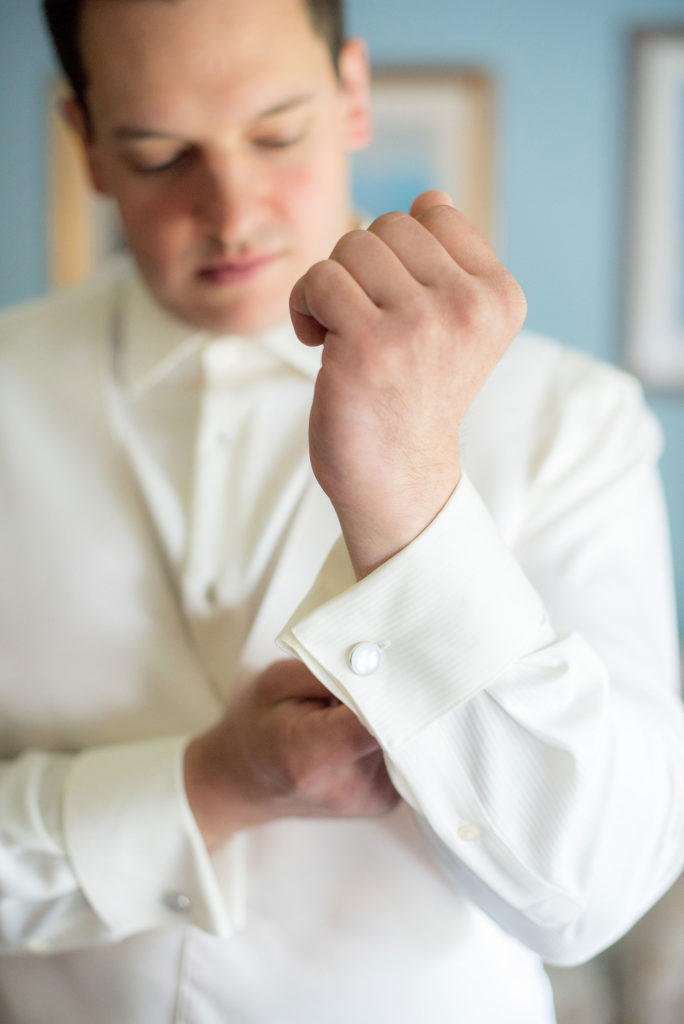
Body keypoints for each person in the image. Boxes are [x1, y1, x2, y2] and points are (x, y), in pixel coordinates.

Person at [0, 0, 682, 1020]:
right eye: (157, 154)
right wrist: (209, 784)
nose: (231, 210)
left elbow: (592, 897)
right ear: (87, 145)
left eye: (276, 133)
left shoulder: (569, 420)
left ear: (353, 94)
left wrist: (408, 500)